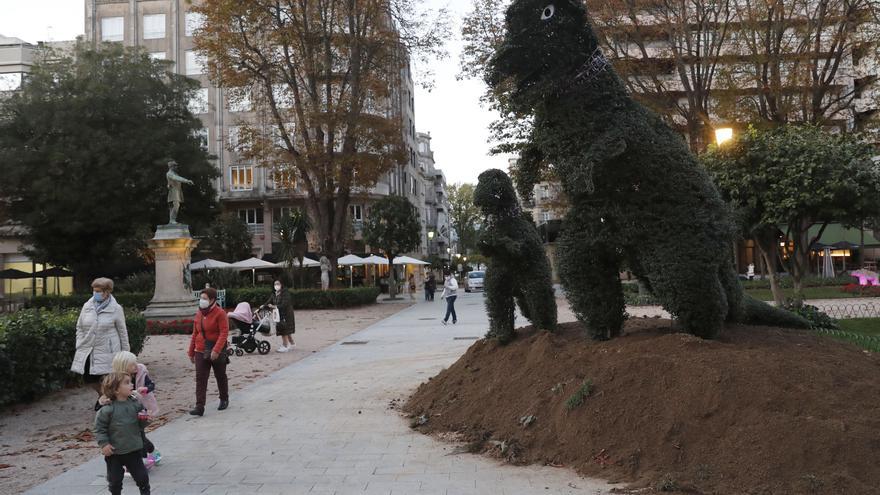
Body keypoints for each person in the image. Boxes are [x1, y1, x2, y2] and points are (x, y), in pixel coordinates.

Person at [71, 277, 130, 410]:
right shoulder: (87, 306)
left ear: (107, 292)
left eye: (99, 291)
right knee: (89, 379)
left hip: (108, 351)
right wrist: (79, 342)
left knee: (106, 379)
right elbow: (79, 326)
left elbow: (122, 331)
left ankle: (106, 402)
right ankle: (103, 398)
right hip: (89, 348)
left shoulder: (116, 308)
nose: (96, 293)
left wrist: (126, 354)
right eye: (94, 290)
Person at [94, 372, 151, 495]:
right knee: (115, 481)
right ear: (115, 389)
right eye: (127, 383)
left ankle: (145, 492)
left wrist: (145, 420)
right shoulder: (107, 409)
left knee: (142, 477)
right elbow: (100, 428)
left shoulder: (135, 404)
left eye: (131, 382)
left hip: (133, 449)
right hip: (114, 452)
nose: (131, 384)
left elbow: (140, 426)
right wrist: (104, 444)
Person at [99, 351, 160, 466]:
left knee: (139, 432)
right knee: (136, 433)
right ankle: (150, 451)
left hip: (140, 407)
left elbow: (151, 384)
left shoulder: (141, 371)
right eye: (132, 364)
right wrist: (103, 400)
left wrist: (146, 389)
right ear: (124, 366)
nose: (136, 366)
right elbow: (108, 393)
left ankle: (143, 458)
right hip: (124, 411)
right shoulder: (116, 378)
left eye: (136, 363)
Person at [188, 288, 229, 416]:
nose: (202, 301)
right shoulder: (199, 313)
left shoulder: (220, 313)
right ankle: (199, 406)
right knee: (200, 378)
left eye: (205, 298)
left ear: (212, 300)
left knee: (220, 375)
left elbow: (224, 332)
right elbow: (195, 333)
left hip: (216, 347)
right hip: (200, 349)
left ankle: (224, 398)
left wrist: (216, 350)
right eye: (201, 298)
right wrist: (191, 351)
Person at [265, 280, 296, 352]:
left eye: (278, 284)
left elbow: (284, 304)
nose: (276, 285)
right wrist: (263, 306)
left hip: (286, 314)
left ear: (281, 284)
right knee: (286, 329)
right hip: (278, 314)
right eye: (275, 284)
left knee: (283, 329)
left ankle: (285, 345)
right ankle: (292, 343)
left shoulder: (285, 293)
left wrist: (274, 306)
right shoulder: (274, 294)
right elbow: (268, 302)